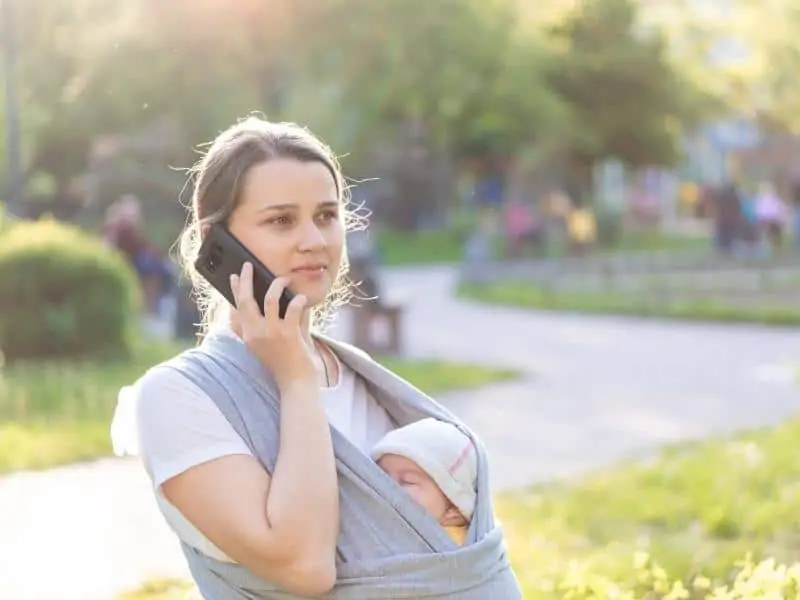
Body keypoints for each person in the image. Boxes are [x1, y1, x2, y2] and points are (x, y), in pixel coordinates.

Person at [111, 117, 521, 599]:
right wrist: (295, 381)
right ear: (213, 242)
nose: (314, 240)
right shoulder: (178, 397)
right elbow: (305, 567)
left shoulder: (360, 376)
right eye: (281, 220)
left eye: (326, 215)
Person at [371, 418, 477, 546]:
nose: (388, 487)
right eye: (382, 476)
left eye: (407, 481)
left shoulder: (450, 546)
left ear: (453, 508)